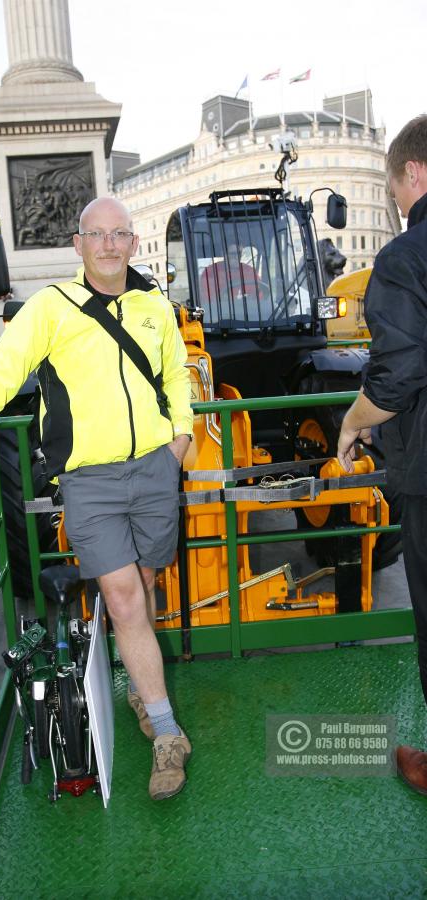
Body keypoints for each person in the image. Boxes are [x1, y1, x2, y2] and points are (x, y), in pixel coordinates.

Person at [0, 197, 194, 800]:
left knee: (143, 587)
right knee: (121, 597)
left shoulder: (154, 308)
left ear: (133, 245)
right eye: (98, 235)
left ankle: (144, 689)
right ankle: (168, 733)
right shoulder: (50, 309)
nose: (110, 245)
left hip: (155, 470)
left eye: (120, 234)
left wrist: (182, 440)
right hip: (90, 482)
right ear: (78, 243)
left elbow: (175, 377)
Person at [337, 115, 427, 798]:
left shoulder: (405, 257)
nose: (397, 203)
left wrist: (351, 421)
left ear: (415, 172)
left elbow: (395, 379)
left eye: (395, 188)